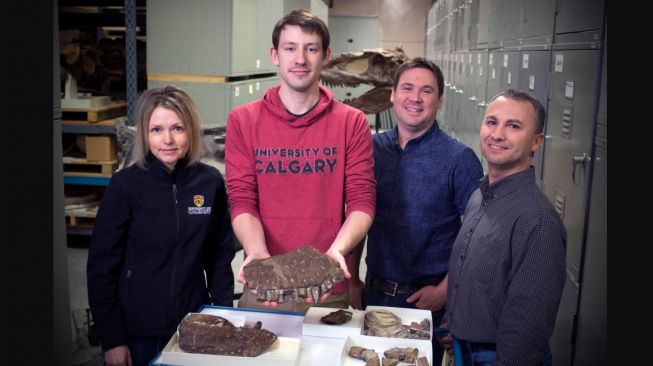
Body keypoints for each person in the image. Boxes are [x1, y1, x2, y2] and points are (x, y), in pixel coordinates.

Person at [225, 9, 376, 313]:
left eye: (311, 48)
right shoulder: (243, 121)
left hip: (325, 287)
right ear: (274, 55)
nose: (300, 59)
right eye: (290, 48)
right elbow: (242, 199)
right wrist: (256, 254)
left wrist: (337, 252)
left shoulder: (352, 123)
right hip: (264, 284)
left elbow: (362, 202)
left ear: (326, 56)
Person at [87, 85, 236, 366]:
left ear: (191, 131)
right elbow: (101, 268)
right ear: (145, 133)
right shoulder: (125, 186)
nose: (167, 139)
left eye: (177, 128)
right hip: (138, 334)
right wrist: (113, 339)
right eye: (157, 129)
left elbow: (218, 258)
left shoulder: (210, 183)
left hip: (194, 326)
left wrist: (224, 318)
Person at [347, 57, 483, 364]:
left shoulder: (459, 159)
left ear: (440, 100)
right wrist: (354, 281)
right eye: (407, 88)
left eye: (426, 90)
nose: (415, 98)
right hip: (376, 295)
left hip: (427, 304)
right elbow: (357, 218)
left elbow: (478, 236)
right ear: (393, 95)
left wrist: (447, 291)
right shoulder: (370, 150)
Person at [437, 89, 567, 366]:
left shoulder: (538, 222)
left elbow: (527, 331)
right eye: (492, 122)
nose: (497, 134)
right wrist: (456, 323)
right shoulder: (480, 195)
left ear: (536, 142)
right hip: (465, 349)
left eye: (513, 126)